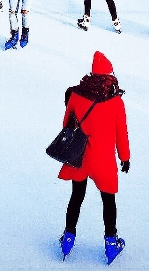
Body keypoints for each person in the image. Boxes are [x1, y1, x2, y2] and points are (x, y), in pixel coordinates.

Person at [56, 51, 130, 265]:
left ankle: (68, 238)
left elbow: (66, 126)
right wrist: (124, 157)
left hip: (79, 156)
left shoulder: (76, 96)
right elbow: (121, 134)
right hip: (103, 161)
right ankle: (110, 243)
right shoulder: (116, 102)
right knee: (108, 201)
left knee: (76, 197)